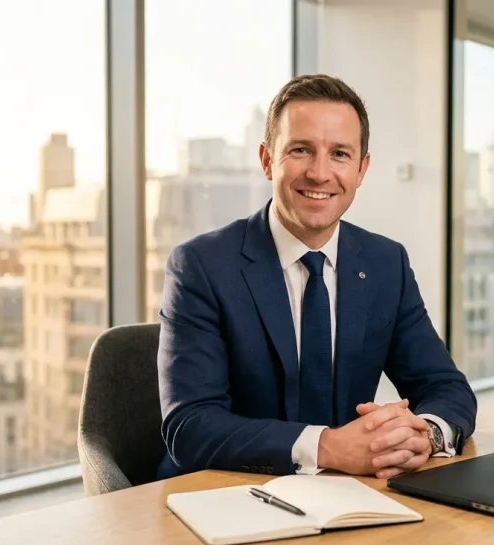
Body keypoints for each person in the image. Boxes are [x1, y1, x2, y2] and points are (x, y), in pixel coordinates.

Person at [156, 74, 477, 480]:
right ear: (267, 159)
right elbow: (191, 427)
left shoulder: (385, 263)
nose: (320, 173)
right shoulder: (201, 265)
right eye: (301, 150)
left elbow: (448, 388)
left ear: (362, 170)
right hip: (223, 496)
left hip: (347, 496)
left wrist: (424, 435)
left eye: (340, 154)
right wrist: (328, 447)